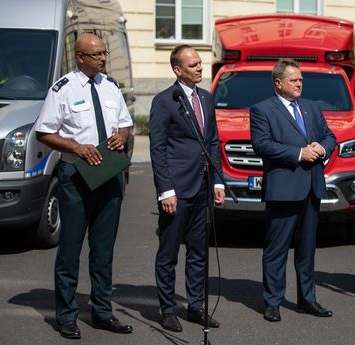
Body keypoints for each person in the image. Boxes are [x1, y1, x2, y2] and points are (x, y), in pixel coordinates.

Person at [35, 33, 133, 339]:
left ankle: (103, 312)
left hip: (109, 174)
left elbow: (126, 123)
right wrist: (75, 147)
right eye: (98, 55)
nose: (104, 58)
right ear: (80, 57)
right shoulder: (62, 89)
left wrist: (124, 136)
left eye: (105, 53)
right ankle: (66, 315)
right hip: (76, 175)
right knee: (70, 248)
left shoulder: (111, 86)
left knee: (103, 251)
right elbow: (43, 132)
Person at [250, 58, 336, 322]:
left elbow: (329, 136)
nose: (300, 83)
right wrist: (299, 153)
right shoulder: (262, 109)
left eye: (300, 79)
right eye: (294, 80)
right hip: (284, 188)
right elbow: (262, 144)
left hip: (311, 187)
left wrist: (322, 148)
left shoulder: (310, 107)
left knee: (307, 248)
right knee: (277, 248)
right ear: (278, 82)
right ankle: (273, 301)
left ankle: (307, 299)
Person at [149, 45, 225, 333]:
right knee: (169, 253)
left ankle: (196, 306)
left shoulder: (206, 98)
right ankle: (168, 309)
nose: (199, 68)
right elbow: (158, 148)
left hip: (203, 187)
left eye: (200, 63)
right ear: (177, 69)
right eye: (193, 64)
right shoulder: (165, 101)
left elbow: (213, 142)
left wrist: (217, 180)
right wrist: (165, 190)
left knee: (198, 252)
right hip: (177, 190)